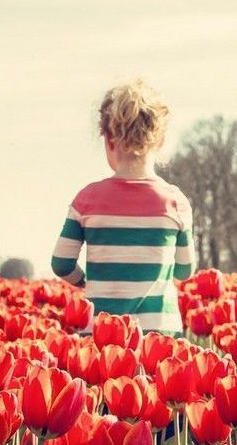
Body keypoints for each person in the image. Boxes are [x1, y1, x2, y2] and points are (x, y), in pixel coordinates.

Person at [51, 78, 195, 335]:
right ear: (160, 140)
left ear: (108, 140)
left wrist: (87, 282)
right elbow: (185, 270)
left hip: (101, 332)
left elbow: (61, 263)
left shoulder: (87, 200)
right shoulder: (175, 202)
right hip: (159, 332)